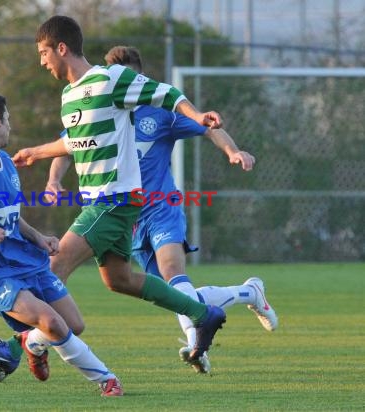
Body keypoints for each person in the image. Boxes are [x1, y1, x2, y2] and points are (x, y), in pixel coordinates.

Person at [43, 45, 279, 374]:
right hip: (128, 219)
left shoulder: (161, 113)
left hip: (162, 209)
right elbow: (68, 145)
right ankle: (247, 292)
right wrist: (54, 180)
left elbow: (209, 126)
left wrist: (233, 151)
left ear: (140, 77)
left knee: (174, 275)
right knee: (172, 293)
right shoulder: (99, 106)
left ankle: (198, 346)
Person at [12, 15, 226, 364]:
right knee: (119, 279)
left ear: (61, 48)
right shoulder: (69, 96)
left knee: (52, 267)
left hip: (112, 201)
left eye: (43, 52)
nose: (41, 61)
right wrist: (36, 152)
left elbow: (167, 94)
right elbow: (75, 143)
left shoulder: (110, 78)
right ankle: (203, 315)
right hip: (101, 202)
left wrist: (197, 114)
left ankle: (15, 347)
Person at [0, 89, 123, 396]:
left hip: (23, 259)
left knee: (73, 323)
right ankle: (107, 380)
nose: (10, 125)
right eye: (7, 119)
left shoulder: (5, 163)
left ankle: (26, 342)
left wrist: (38, 237)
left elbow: (10, 216)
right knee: (52, 323)